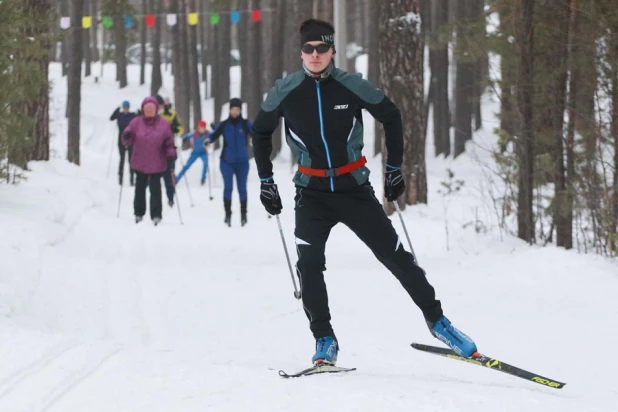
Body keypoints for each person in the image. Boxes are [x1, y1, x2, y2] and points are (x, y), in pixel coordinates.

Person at [251, 19, 477, 366]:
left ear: (332, 51)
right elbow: (261, 131)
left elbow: (392, 116)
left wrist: (393, 169)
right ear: (301, 51)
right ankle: (324, 340)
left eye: (321, 48)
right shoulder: (286, 90)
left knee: (396, 256)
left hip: (353, 189)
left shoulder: (351, 85)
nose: (315, 55)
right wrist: (266, 180)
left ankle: (439, 322)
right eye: (308, 49)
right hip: (310, 193)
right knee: (309, 265)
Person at [122, 96, 177, 225]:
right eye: (147, 109)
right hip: (140, 161)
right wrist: (126, 136)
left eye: (152, 109)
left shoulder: (164, 124)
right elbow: (127, 138)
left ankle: (156, 214)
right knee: (139, 189)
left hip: (157, 162)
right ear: (143, 109)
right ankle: (138, 213)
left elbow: (169, 142)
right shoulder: (136, 122)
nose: (149, 112)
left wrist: (170, 153)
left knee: (155, 190)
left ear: (156, 110)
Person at [208, 98, 252, 227]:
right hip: (227, 162)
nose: (235, 112)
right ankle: (228, 215)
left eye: (237, 109)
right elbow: (213, 135)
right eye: (233, 109)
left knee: (242, 189)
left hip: (243, 162)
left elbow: (256, 133)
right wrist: (207, 141)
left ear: (240, 111)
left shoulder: (245, 124)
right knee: (228, 188)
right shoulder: (224, 124)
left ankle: (243, 215)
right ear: (230, 110)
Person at [156, 95, 184, 207]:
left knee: (168, 174)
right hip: (155, 149)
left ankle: (171, 197)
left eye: (162, 104)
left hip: (169, 148)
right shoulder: (152, 114)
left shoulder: (172, 113)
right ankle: (155, 201)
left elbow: (180, 128)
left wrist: (175, 129)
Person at [110, 100, 138, 186]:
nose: (126, 109)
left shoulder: (132, 115)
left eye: (127, 107)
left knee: (131, 160)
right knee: (122, 159)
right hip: (121, 140)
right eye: (125, 107)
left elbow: (140, 117)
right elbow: (111, 118)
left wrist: (139, 112)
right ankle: (120, 178)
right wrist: (117, 109)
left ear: (129, 108)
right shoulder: (120, 115)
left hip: (130, 140)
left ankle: (132, 179)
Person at [176, 120, 210, 185]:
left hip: (203, 152)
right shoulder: (195, 133)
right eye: (200, 127)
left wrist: (214, 128)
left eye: (203, 128)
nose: (202, 129)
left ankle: (203, 178)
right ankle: (177, 179)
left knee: (206, 163)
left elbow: (214, 134)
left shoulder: (207, 134)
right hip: (194, 153)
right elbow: (187, 136)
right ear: (198, 127)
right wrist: (184, 139)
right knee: (187, 166)